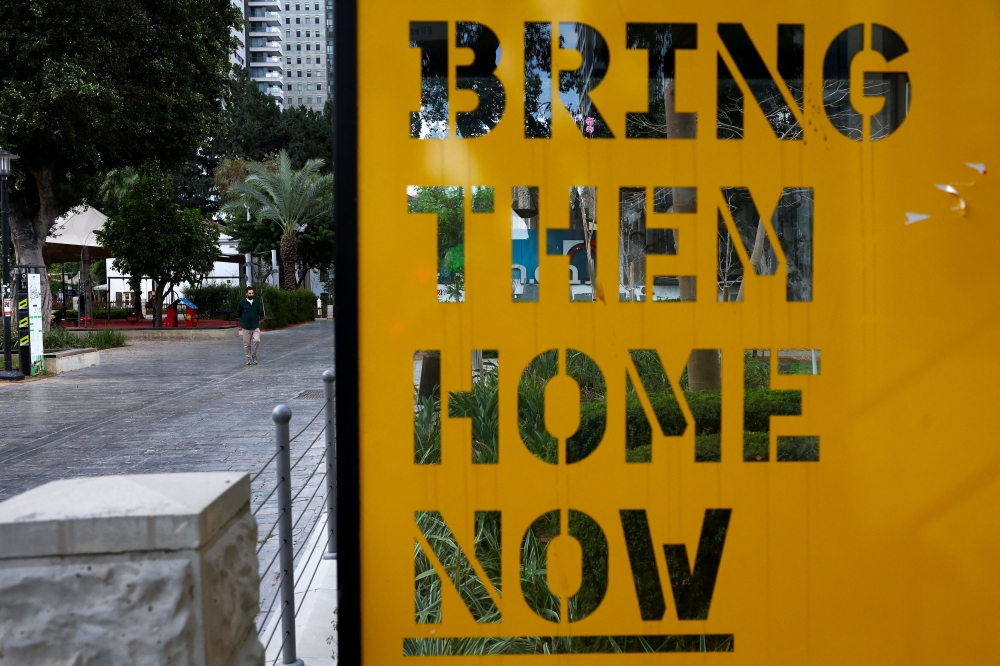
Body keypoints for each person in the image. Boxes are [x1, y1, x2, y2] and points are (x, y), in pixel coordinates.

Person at [236, 287, 265, 365]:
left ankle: (254, 355)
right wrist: (242, 321)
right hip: (246, 327)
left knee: (257, 340)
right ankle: (248, 358)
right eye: (249, 293)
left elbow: (259, 312)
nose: (251, 294)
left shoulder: (257, 303)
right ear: (246, 294)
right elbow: (238, 313)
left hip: (255, 326)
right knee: (247, 344)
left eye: (252, 293)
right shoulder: (242, 303)